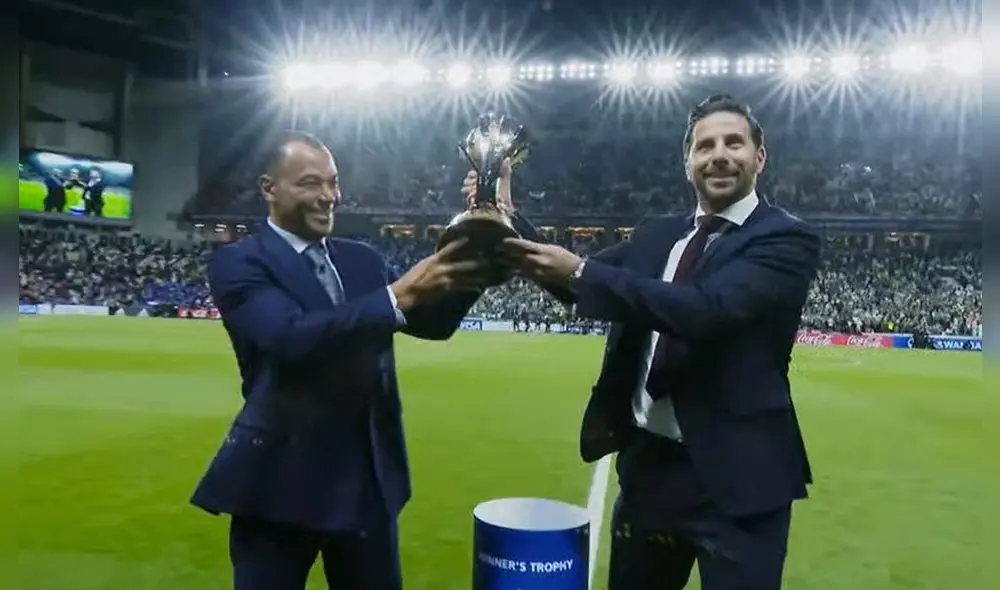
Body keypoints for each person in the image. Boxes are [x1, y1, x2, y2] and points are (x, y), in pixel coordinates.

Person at [468, 95, 821, 590]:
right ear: (688, 163)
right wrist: (506, 216)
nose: (718, 154)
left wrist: (582, 271)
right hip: (650, 473)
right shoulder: (658, 236)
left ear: (759, 158)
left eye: (733, 143)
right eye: (704, 146)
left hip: (740, 482)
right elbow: (579, 283)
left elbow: (706, 311)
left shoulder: (786, 239)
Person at [191, 131, 484, 590]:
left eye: (333, 182)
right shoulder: (239, 263)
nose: (328, 196)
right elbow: (288, 338)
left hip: (366, 480)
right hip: (279, 485)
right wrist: (396, 295)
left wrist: (477, 238)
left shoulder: (362, 260)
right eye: (311, 183)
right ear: (270, 188)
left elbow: (433, 322)